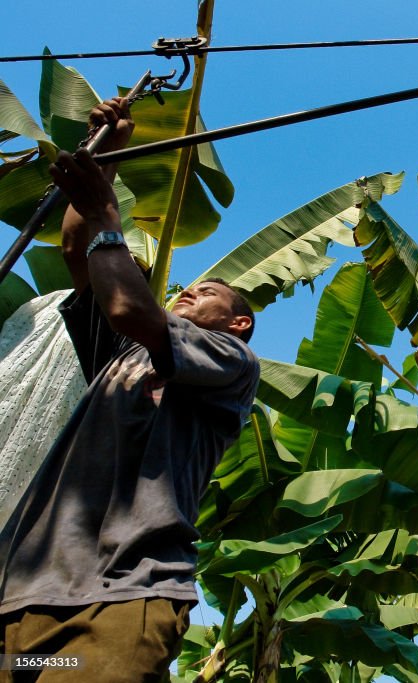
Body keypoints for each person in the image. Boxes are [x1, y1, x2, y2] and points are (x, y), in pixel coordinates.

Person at [0, 98, 259, 681]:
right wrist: (109, 151)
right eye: (187, 287)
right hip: (23, 602)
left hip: (118, 601)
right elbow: (77, 250)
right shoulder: (123, 355)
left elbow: (126, 304)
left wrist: (108, 218)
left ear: (239, 321)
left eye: (209, 292)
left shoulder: (230, 360)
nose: (190, 291)